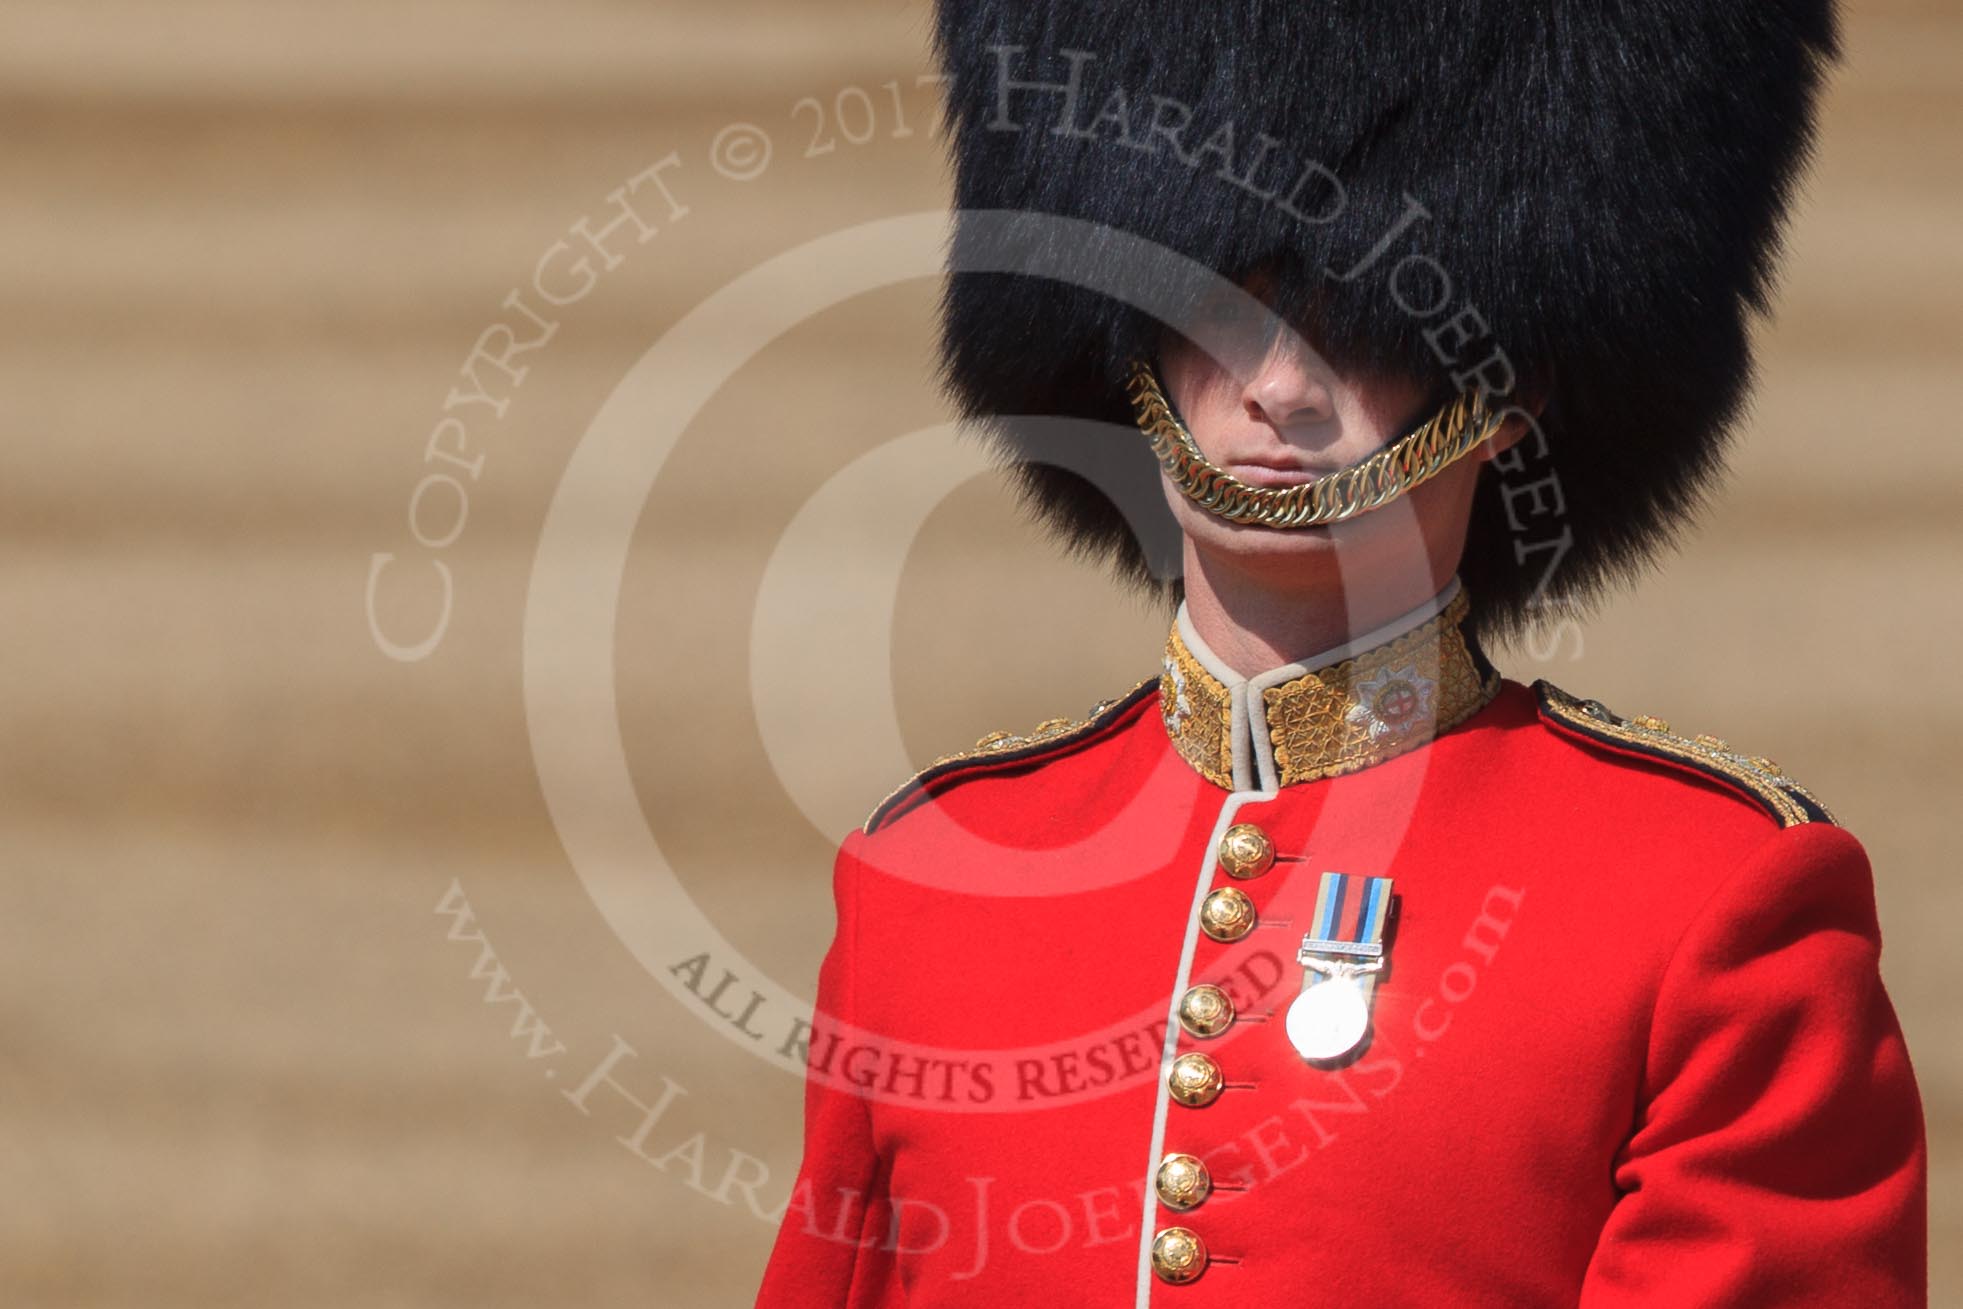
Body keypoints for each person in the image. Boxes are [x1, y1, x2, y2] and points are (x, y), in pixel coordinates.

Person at [756, 1, 1927, 1304]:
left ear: (1508, 393)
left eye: (1358, 321)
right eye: (1217, 303)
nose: (1279, 388)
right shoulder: (926, 885)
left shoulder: (1709, 905)